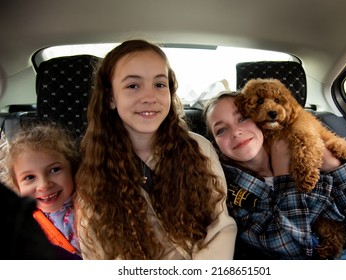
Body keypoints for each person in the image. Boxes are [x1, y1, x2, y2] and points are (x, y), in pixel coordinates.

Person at [74, 39, 237, 260]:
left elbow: (220, 226)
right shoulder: (91, 166)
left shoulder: (199, 148)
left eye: (159, 85)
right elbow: (98, 254)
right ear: (111, 97)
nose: (149, 97)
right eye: (133, 86)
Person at [203, 91, 346, 260]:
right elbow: (292, 250)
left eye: (243, 118)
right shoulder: (229, 193)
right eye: (221, 130)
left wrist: (333, 165)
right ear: (216, 146)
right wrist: (284, 177)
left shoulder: (304, 152)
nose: (235, 132)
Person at [2, 123, 82, 258]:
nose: (44, 185)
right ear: (17, 185)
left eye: (54, 170)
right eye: (29, 177)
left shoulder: (89, 207)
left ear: (72, 168)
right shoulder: (23, 225)